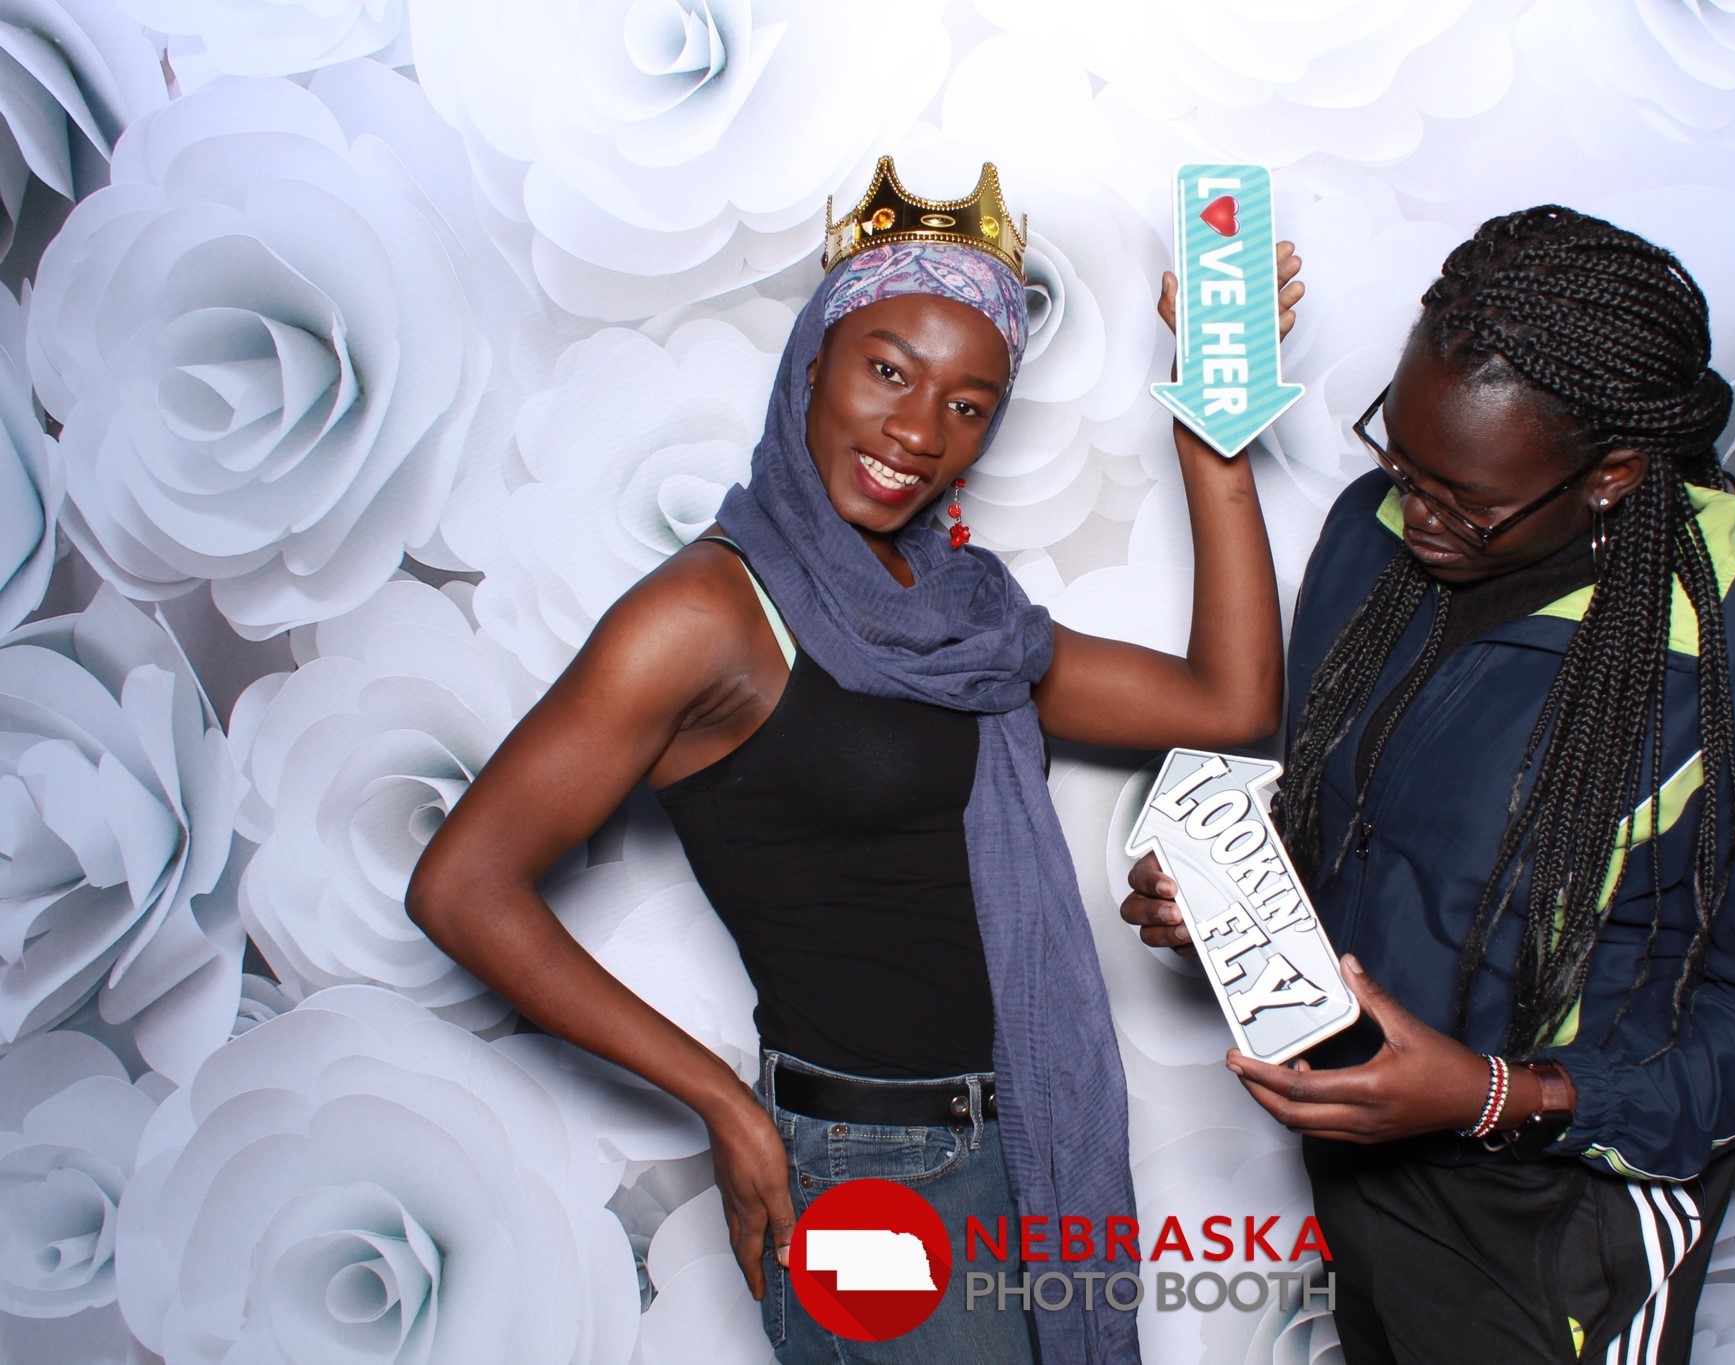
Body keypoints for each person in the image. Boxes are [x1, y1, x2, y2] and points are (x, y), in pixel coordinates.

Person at [407, 157, 1302, 1363]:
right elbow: (462, 886)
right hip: (866, 1173)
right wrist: (721, 1102)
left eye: (968, 404)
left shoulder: (962, 619)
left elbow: (1228, 700)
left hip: (1024, 1136)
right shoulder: (704, 615)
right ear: (811, 362)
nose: (918, 432)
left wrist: (1214, 427)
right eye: (886, 369)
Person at [1120, 206, 1735, 1364]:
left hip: (1555, 1228)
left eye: (1463, 499)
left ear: (1611, 474)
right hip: (1360, 1178)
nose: (1414, 512)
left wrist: (1493, 1095)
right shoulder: (1373, 535)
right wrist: (1223, 910)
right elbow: (1346, 834)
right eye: (1399, 462)